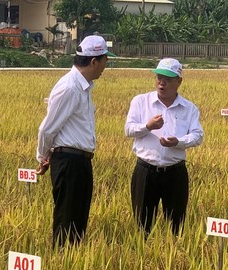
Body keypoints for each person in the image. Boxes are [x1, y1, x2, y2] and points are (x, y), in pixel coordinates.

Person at [36, 35, 114, 247]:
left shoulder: (83, 87)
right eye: (105, 62)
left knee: (78, 221)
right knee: (67, 221)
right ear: (94, 61)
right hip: (68, 161)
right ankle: (62, 264)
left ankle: (71, 259)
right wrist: (42, 157)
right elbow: (47, 128)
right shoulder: (70, 87)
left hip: (80, 162)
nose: (105, 67)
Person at [125, 58, 204, 235]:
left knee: (176, 225)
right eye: (159, 77)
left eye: (168, 79)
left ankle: (174, 254)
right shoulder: (141, 101)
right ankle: (143, 255)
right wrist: (148, 127)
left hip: (175, 173)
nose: (162, 82)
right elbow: (128, 129)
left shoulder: (189, 108)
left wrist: (178, 142)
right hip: (145, 171)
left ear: (179, 81)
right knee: (142, 224)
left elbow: (198, 136)